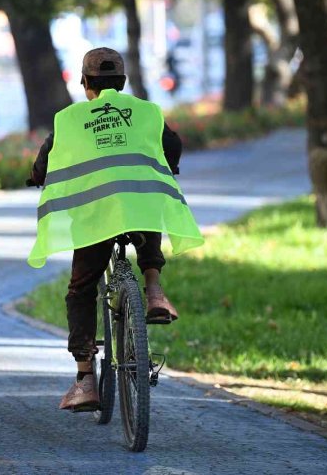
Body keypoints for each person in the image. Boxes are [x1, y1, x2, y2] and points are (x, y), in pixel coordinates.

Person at [27, 48, 203, 412]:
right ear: (122, 83)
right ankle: (153, 290)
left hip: (94, 216)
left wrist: (37, 176)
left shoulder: (70, 119)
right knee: (144, 196)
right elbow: (172, 146)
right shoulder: (146, 112)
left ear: (85, 83)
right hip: (140, 209)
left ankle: (85, 378)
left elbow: (45, 161)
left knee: (81, 290)